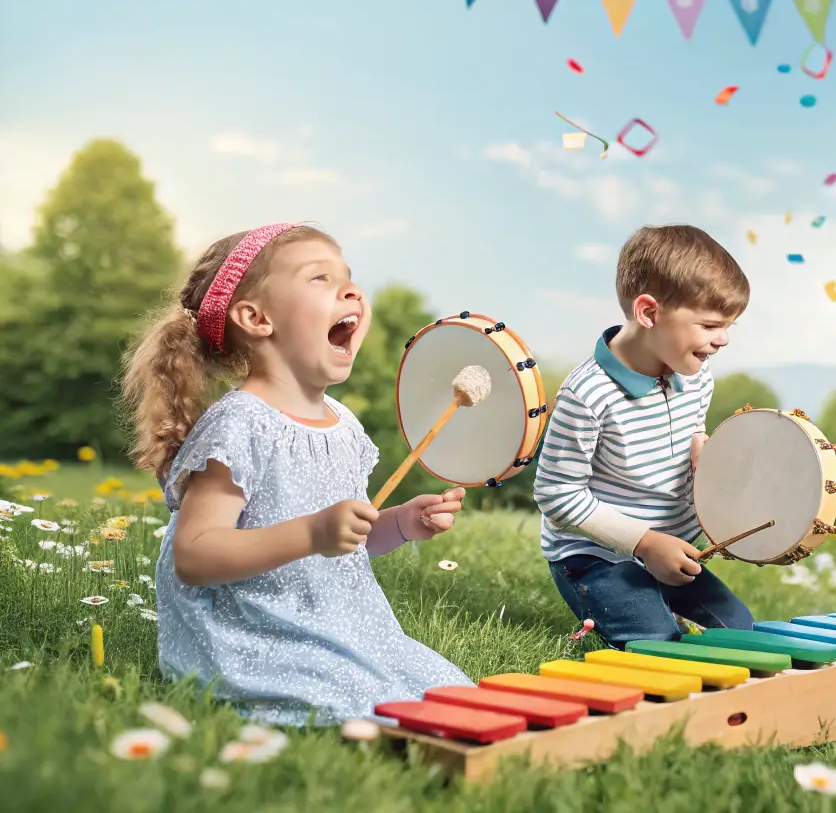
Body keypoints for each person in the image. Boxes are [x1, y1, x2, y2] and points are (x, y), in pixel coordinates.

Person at [119, 222, 472, 726]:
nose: (351, 290)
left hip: (337, 623)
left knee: (445, 690)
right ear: (255, 317)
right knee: (363, 700)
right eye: (320, 279)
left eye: (348, 278)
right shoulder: (240, 425)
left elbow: (342, 544)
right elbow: (195, 556)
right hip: (254, 632)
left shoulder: (343, 424)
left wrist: (399, 523)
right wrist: (311, 532)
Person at [534, 224, 754, 647]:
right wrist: (645, 543)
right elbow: (556, 494)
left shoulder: (696, 376)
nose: (723, 339)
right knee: (657, 642)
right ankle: (619, 607)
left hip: (669, 551)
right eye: (710, 325)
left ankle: (658, 597)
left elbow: (691, 431)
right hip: (595, 558)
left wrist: (702, 457)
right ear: (649, 313)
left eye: (729, 326)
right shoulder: (587, 394)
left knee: (740, 631)